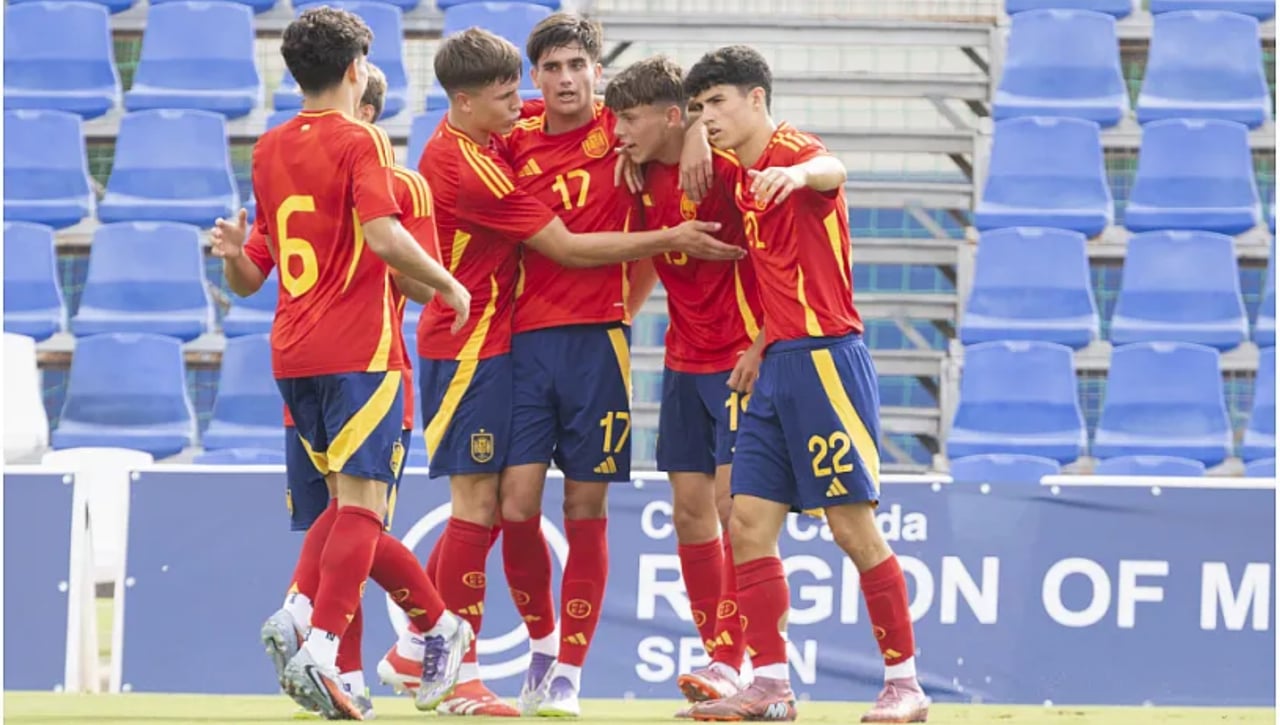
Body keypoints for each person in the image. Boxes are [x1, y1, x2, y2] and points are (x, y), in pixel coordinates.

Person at [373, 26, 742, 717]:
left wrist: (692, 126)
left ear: (597, 71)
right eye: (551, 67)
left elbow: (681, 110)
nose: (566, 78)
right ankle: (515, 649)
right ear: (533, 77)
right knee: (511, 505)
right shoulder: (508, 134)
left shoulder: (626, 129)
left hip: (597, 348)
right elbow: (562, 246)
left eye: (578, 65)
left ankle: (563, 669)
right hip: (516, 345)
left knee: (584, 507)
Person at [230, 8, 475, 718]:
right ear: (354, 70)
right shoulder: (362, 140)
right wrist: (451, 283)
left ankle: (417, 626)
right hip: (359, 352)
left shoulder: (268, 147)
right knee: (361, 509)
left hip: (292, 352)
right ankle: (329, 647)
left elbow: (260, 267)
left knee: (345, 513)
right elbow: (382, 236)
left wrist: (229, 256)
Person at [682, 45, 931, 723]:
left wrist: (799, 177)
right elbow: (780, 273)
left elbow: (833, 167)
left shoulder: (794, 152)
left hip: (827, 362)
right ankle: (769, 684)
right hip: (781, 363)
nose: (708, 119)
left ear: (756, 99)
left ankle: (904, 683)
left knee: (852, 528)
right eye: (699, 108)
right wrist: (761, 345)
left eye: (718, 103)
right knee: (749, 521)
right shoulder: (740, 176)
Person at [603, 55, 766, 709]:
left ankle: (736, 660)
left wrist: (763, 342)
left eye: (630, 119)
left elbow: (782, 252)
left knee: (734, 509)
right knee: (690, 510)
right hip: (682, 358)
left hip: (739, 359)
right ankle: (719, 652)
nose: (617, 132)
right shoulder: (639, 172)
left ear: (674, 115)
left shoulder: (725, 166)